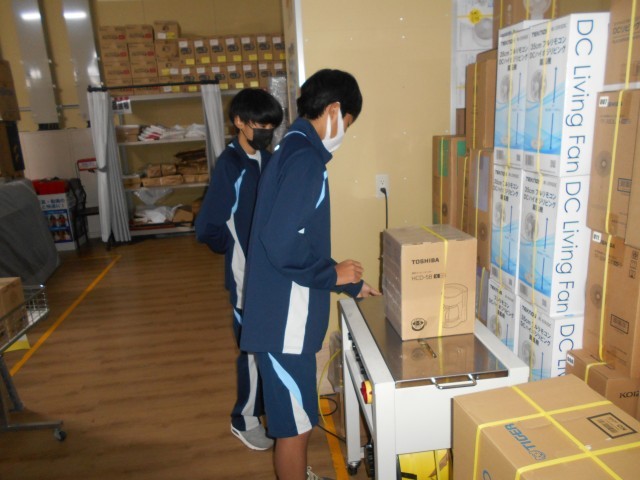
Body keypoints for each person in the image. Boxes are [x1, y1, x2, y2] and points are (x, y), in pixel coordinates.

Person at [240, 69, 381, 480]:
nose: (344, 133)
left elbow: (297, 239)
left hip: (282, 315)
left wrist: (349, 282)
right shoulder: (305, 161)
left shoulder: (294, 149)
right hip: (284, 324)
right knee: (295, 426)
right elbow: (280, 242)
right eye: (347, 123)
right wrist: (332, 273)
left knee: (297, 416)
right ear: (334, 110)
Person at [195, 88, 283, 451]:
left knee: (269, 348)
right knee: (251, 350)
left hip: (272, 275)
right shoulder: (230, 166)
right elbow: (207, 227)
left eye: (271, 126)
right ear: (239, 123)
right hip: (246, 278)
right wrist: (234, 249)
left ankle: (268, 410)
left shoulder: (267, 158)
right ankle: (244, 419)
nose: (266, 132)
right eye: (260, 125)